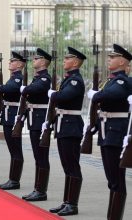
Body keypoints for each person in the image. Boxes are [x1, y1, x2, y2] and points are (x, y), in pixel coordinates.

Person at [88, 44, 132, 220]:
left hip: (116, 133)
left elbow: (107, 95)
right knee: (111, 179)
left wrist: (96, 94)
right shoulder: (111, 80)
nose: (109, 59)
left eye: (112, 57)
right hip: (107, 130)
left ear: (122, 61)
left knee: (117, 180)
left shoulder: (123, 81)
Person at [48, 47, 86, 216]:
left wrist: (53, 94)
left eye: (67, 58)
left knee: (72, 166)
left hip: (71, 126)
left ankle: (73, 204)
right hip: (64, 125)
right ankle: (67, 202)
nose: (64, 61)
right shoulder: (69, 79)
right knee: (67, 166)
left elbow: (63, 97)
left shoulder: (75, 80)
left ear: (76, 62)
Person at [21, 48, 51, 201]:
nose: (33, 60)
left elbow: (36, 89)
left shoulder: (45, 78)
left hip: (39, 121)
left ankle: (41, 190)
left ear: (44, 62)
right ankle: (37, 188)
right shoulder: (38, 77)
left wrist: (25, 89)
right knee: (37, 156)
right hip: (34, 119)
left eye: (36, 58)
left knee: (41, 156)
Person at [0, 51, 25, 190]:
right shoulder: (13, 77)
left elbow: (11, 88)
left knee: (15, 149)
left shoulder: (18, 78)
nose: (10, 62)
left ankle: (14, 180)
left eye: (13, 61)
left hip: (13, 116)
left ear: (19, 64)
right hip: (8, 115)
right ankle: (12, 179)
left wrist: (0, 88)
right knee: (12, 150)